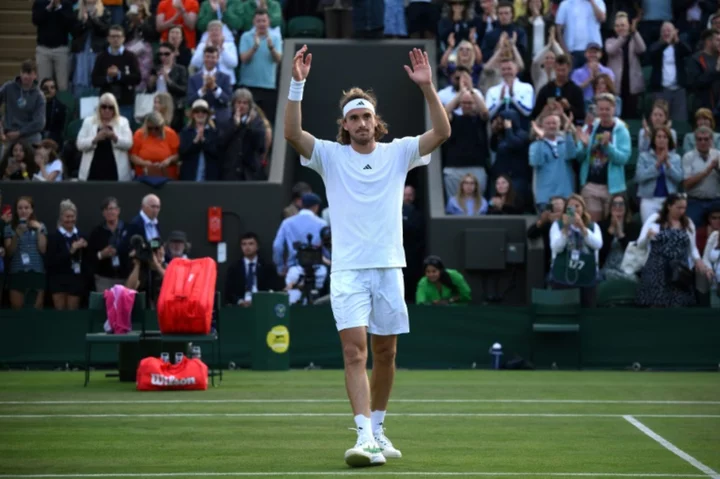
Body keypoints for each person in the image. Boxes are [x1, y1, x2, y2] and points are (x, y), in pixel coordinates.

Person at [283, 45, 451, 467]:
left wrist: (428, 88)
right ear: (345, 125)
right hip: (348, 271)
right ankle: (362, 435)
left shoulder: (398, 153)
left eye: (366, 116)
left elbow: (443, 133)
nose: (361, 123)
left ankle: (377, 428)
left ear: (377, 122)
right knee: (355, 351)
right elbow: (291, 134)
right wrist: (297, 82)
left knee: (386, 354)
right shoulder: (329, 156)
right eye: (354, 118)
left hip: (390, 267)